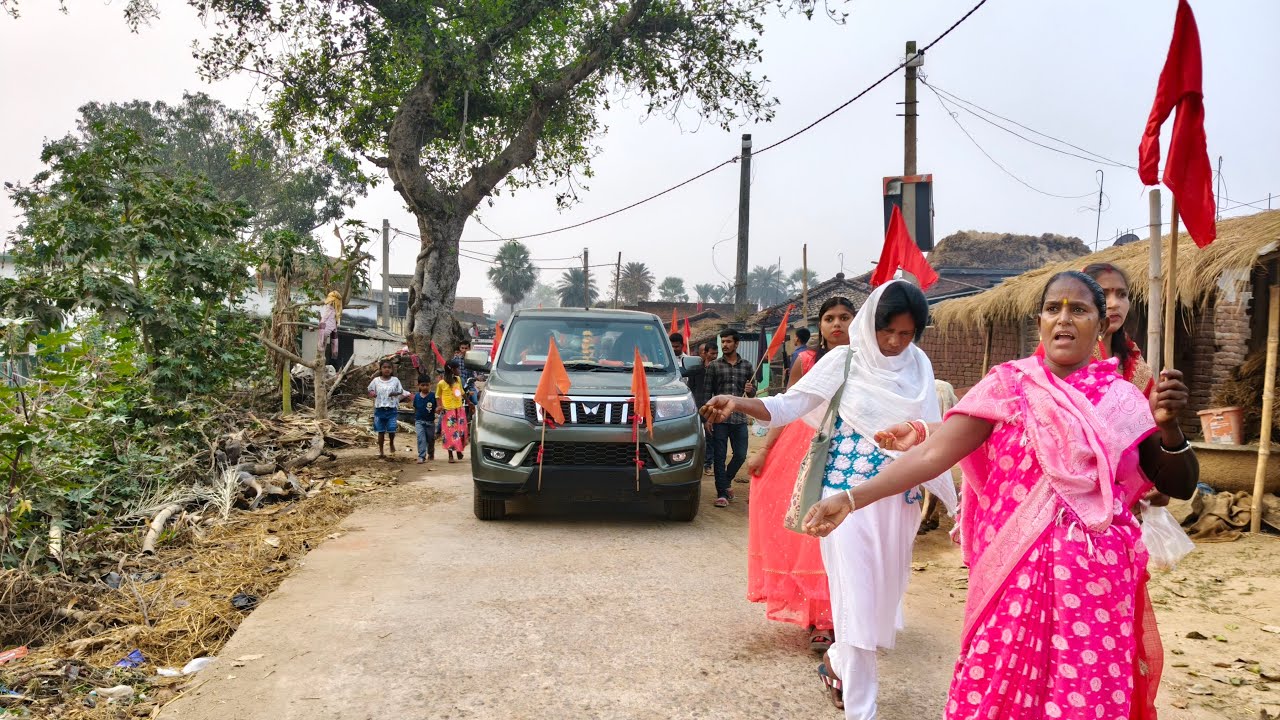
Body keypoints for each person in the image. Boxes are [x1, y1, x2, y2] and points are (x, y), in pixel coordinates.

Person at [801, 271, 1199, 720]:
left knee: (1082, 695)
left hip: (1094, 584)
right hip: (1012, 571)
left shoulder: (1122, 400)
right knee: (999, 685)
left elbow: (1179, 483)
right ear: (1039, 321)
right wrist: (852, 498)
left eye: (1079, 310)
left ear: (1102, 325)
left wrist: (1169, 428)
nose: (1064, 319)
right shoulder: (1007, 386)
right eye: (1053, 309)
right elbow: (932, 454)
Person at [702, 281, 956, 718]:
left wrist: (953, 499)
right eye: (887, 331)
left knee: (882, 600)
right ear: (870, 324)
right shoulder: (844, 360)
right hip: (841, 502)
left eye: (906, 333)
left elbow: (934, 438)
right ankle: (862, 708)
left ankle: (837, 663)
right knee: (855, 601)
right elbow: (788, 406)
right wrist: (737, 402)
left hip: (900, 499)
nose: (895, 342)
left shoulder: (919, 365)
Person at [743, 296, 855, 653]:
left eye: (845, 317)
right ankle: (820, 618)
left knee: (849, 532)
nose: (836, 324)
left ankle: (851, 614)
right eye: (829, 318)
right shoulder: (807, 361)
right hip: (805, 446)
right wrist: (766, 450)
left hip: (852, 451)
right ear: (820, 325)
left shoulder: (869, 363)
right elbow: (787, 407)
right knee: (809, 530)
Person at [704, 328, 756, 508]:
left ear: (736, 343)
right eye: (723, 342)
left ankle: (725, 482)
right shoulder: (714, 366)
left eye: (728, 341)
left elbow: (753, 393)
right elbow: (707, 393)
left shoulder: (747, 366)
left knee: (740, 455)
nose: (725, 345)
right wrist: (708, 418)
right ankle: (722, 494)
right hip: (719, 418)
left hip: (739, 419)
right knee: (719, 457)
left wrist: (751, 390)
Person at [367, 360, 410, 459]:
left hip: (391, 409)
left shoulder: (395, 380)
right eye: (384, 367)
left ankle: (391, 443)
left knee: (391, 429)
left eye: (389, 367)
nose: (387, 369)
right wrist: (372, 393)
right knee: (380, 431)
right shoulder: (376, 380)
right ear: (380, 369)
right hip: (379, 409)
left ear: (392, 369)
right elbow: (370, 389)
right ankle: (381, 451)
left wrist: (394, 393)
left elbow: (400, 391)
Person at [437, 364, 469, 463]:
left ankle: (458, 450)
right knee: (450, 433)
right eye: (457, 368)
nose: (459, 370)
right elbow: (437, 396)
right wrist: (440, 406)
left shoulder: (458, 380)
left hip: (459, 409)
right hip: (448, 411)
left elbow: (461, 392)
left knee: (460, 431)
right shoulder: (441, 383)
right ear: (451, 370)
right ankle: (450, 455)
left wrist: (469, 402)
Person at [413, 377, 437, 464]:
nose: (425, 387)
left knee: (430, 439)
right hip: (419, 421)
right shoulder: (416, 396)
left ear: (430, 385)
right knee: (421, 438)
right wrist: (415, 418)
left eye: (427, 385)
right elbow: (415, 408)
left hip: (430, 422)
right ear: (418, 385)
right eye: (423, 385)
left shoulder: (433, 396)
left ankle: (431, 452)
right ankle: (421, 456)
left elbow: (436, 407)